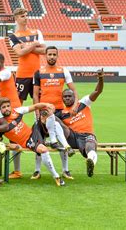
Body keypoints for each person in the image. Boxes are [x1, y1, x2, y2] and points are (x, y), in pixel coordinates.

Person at [0, 98, 65, 186]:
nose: (7, 108)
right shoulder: (0, 126)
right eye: (4, 107)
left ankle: (53, 141)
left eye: (8, 106)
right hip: (28, 141)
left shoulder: (17, 111)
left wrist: (47, 104)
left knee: (49, 112)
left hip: (35, 130)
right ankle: (56, 176)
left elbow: (35, 106)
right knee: (43, 150)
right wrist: (5, 143)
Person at [31, 46, 78, 180]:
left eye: (54, 54)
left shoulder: (64, 71)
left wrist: (74, 105)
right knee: (40, 140)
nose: (52, 57)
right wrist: (37, 111)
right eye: (49, 54)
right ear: (45, 56)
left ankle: (65, 170)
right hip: (44, 111)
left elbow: (74, 91)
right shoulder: (38, 72)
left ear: (57, 56)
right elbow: (35, 95)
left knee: (62, 140)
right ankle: (37, 170)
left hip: (59, 111)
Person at [56, 69, 104, 178]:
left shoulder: (83, 103)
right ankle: (66, 147)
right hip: (72, 137)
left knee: (90, 145)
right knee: (55, 120)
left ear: (74, 97)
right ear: (62, 99)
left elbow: (97, 91)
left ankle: (90, 161)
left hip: (86, 135)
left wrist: (101, 78)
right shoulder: (62, 113)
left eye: (69, 96)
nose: (67, 98)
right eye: (65, 97)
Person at [8, 7, 46, 103]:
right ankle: (18, 119)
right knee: (18, 102)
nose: (25, 18)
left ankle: (38, 118)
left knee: (39, 101)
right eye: (22, 16)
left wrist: (26, 47)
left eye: (26, 16)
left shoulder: (37, 32)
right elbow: (19, 53)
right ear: (16, 19)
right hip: (22, 74)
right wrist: (33, 44)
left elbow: (44, 51)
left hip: (37, 73)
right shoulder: (13, 36)